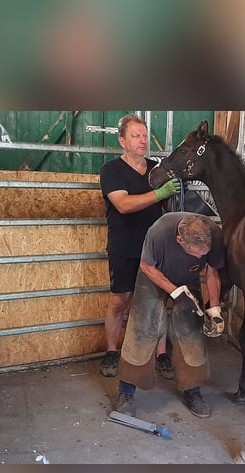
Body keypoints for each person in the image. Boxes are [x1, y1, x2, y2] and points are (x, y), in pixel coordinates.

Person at [115, 213, 226, 418]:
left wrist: (215, 309)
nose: (201, 257)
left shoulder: (214, 233)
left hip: (188, 277)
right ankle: (126, 391)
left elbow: (212, 272)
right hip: (153, 275)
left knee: (191, 330)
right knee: (142, 327)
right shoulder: (158, 232)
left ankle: (192, 390)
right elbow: (146, 266)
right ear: (179, 240)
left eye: (204, 254)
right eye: (196, 253)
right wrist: (175, 293)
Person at [99, 114, 181, 380]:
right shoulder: (111, 170)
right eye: (135, 136)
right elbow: (122, 205)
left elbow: (170, 205)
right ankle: (112, 351)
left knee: (158, 301)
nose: (142, 140)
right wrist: (159, 194)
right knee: (120, 300)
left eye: (144, 135)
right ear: (122, 141)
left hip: (155, 248)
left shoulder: (157, 169)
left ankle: (161, 353)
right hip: (124, 244)